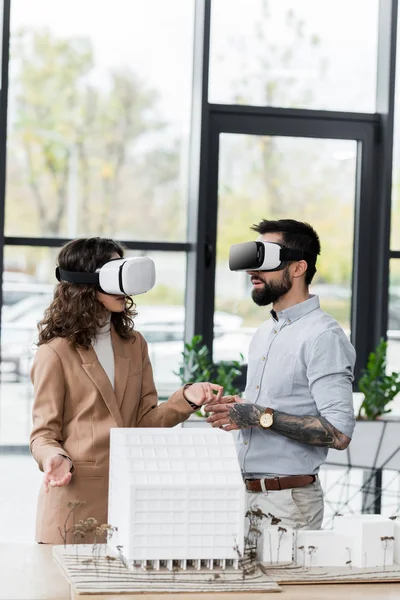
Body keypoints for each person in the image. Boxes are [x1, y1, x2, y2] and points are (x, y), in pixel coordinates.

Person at [30, 237, 222, 544]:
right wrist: (54, 456)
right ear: (85, 283)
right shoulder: (55, 353)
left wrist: (185, 399)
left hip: (130, 501)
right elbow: (43, 434)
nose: (126, 287)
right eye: (115, 273)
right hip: (75, 502)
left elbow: (145, 421)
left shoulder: (135, 344)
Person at [206, 219, 356, 530]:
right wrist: (244, 410)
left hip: (288, 503)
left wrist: (261, 415)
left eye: (266, 259)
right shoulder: (265, 331)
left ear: (298, 268)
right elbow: (272, 409)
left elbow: (339, 434)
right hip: (245, 496)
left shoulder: (323, 336)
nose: (252, 272)